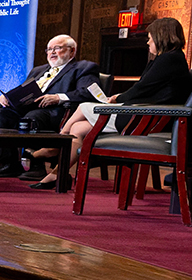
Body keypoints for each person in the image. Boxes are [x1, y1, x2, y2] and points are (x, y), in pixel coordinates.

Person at [32, 16, 192, 189]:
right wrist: (121, 97)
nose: (148, 42)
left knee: (83, 107)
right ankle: (56, 174)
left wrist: (117, 98)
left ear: (162, 36)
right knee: (78, 128)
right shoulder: (169, 59)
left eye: (150, 37)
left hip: (143, 117)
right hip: (143, 114)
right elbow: (146, 89)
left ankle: (57, 144)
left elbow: (140, 90)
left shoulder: (170, 59)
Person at [0, 34, 102, 178]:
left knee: (32, 118)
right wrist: (7, 96)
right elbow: (23, 89)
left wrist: (58, 97)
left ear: (72, 51)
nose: (52, 52)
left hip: (57, 112)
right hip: (28, 108)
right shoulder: (38, 70)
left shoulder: (83, 68)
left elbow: (88, 93)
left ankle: (36, 165)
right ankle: (9, 164)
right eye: (49, 49)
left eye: (57, 48)